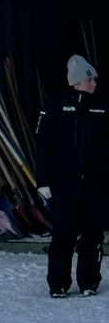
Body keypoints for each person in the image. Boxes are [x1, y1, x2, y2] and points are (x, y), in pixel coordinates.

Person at [34, 54, 107, 297]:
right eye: (89, 80)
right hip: (64, 184)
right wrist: (42, 180)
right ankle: (58, 284)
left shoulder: (101, 108)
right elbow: (43, 146)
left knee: (92, 234)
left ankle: (88, 282)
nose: (94, 84)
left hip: (95, 185)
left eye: (94, 80)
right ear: (76, 82)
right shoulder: (55, 108)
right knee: (63, 234)